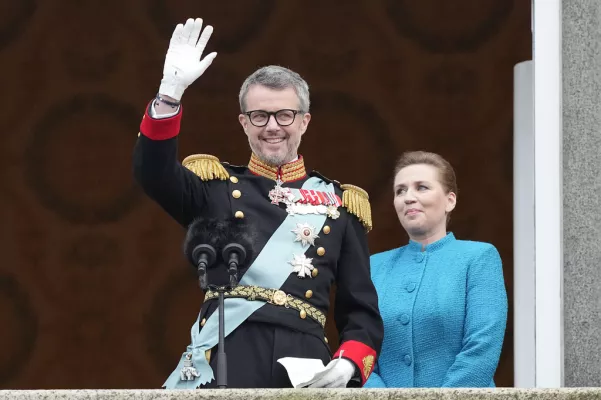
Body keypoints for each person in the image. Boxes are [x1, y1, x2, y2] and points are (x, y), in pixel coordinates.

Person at [132, 17, 383, 389]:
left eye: (285, 115)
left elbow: (361, 311)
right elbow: (152, 173)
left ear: (304, 122)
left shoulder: (341, 204)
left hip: (306, 361)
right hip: (230, 351)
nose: (272, 126)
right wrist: (169, 95)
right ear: (244, 123)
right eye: (259, 116)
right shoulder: (214, 187)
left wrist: (348, 364)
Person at [364, 151, 507, 388]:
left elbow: (482, 346)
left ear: (450, 200)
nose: (409, 197)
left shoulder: (478, 258)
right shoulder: (374, 266)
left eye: (421, 187)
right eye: (400, 190)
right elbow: (362, 350)